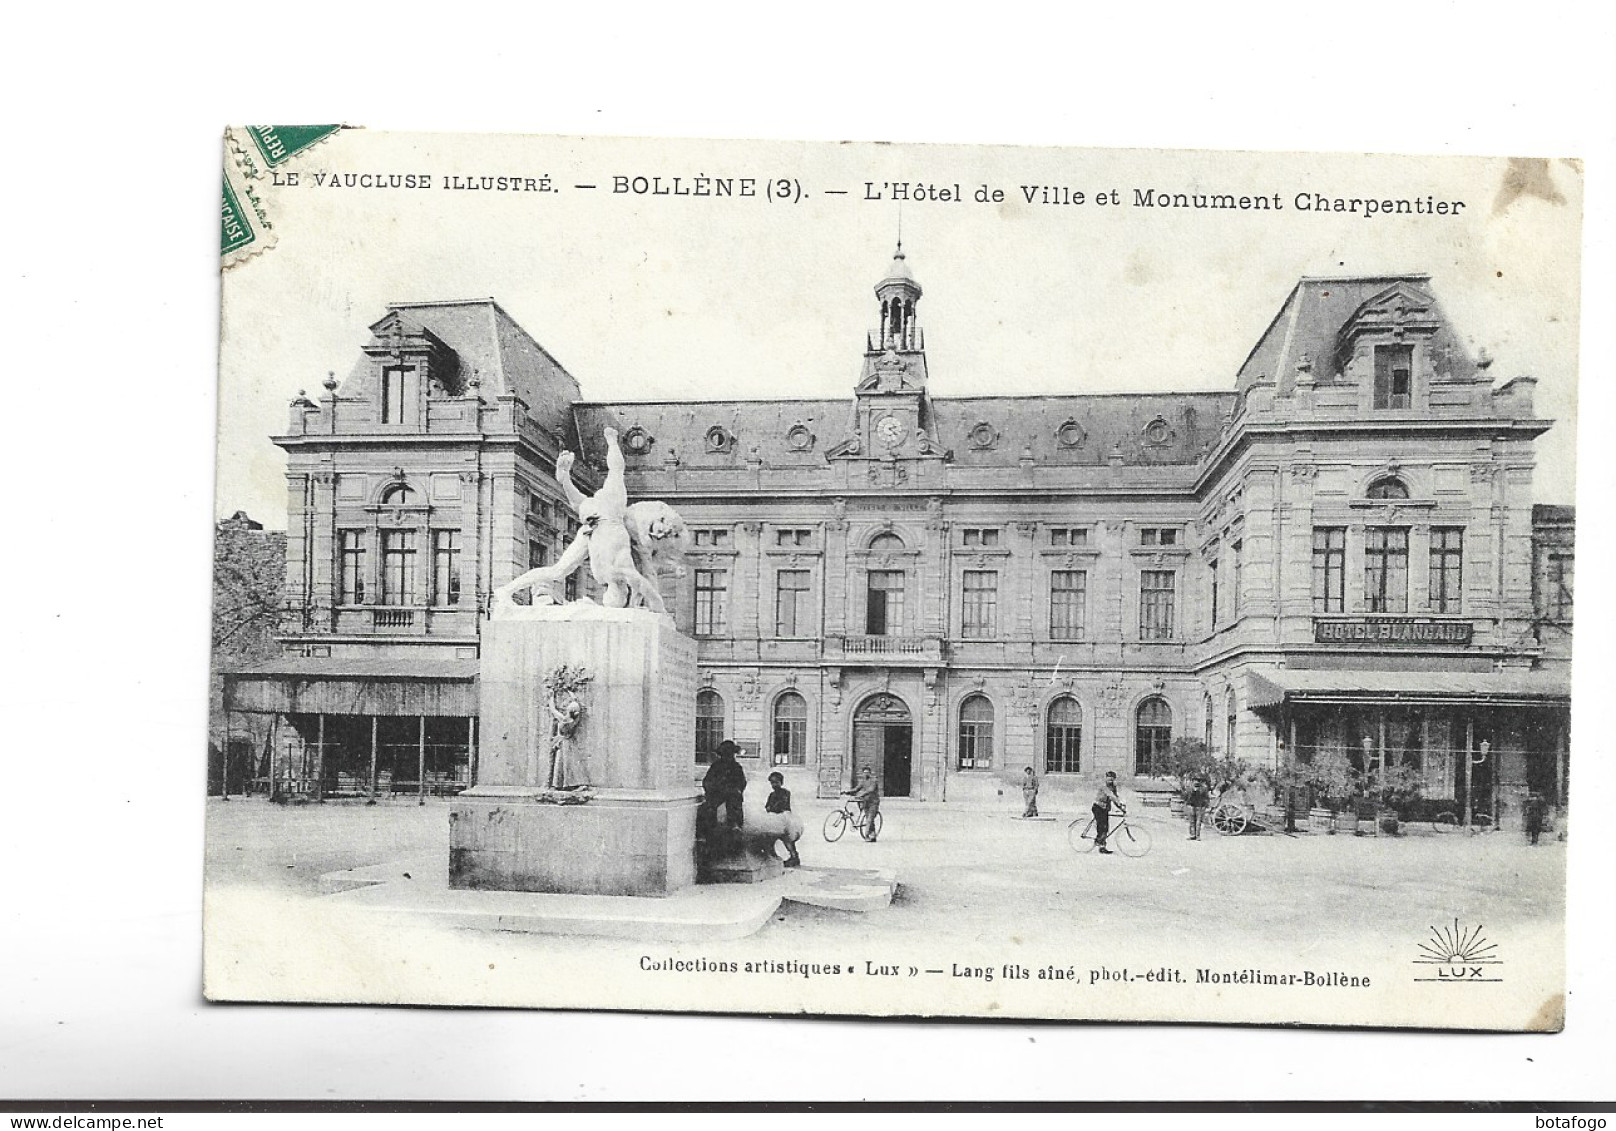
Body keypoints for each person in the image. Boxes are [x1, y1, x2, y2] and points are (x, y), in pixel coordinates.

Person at [699, 739, 747, 831]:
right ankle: (708, 830)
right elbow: (707, 781)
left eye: (730, 754)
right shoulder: (716, 766)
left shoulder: (736, 767)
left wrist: (737, 789)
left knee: (735, 802)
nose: (729, 757)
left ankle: (735, 825)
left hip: (732, 793)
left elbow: (742, 782)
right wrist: (712, 790)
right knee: (707, 807)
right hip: (717, 793)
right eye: (726, 754)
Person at [764, 771, 804, 866]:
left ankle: (794, 856)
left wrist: (773, 808)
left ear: (781, 783)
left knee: (787, 838)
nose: (774, 785)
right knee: (769, 836)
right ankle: (771, 854)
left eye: (776, 782)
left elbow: (782, 805)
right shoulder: (771, 795)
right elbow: (767, 806)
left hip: (785, 819)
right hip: (774, 819)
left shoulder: (785, 793)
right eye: (772, 783)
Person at [843, 766, 882, 842]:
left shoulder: (874, 781)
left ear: (870, 773)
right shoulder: (862, 781)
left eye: (867, 772)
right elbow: (856, 788)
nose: (866, 774)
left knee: (869, 819)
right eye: (864, 773)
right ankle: (873, 834)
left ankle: (866, 836)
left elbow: (871, 789)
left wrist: (862, 794)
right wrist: (847, 792)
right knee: (869, 819)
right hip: (865, 802)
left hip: (873, 803)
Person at [1092, 771, 1125, 855]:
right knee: (1102, 827)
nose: (1110, 781)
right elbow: (1111, 796)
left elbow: (1115, 797)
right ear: (1106, 778)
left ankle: (1102, 846)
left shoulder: (1113, 787)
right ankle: (1099, 841)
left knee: (1106, 828)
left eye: (1112, 779)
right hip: (1098, 808)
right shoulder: (1104, 786)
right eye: (1109, 779)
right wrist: (1118, 802)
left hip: (1105, 809)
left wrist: (1121, 807)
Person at [1186, 774, 1210, 841]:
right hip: (1191, 806)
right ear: (1193, 781)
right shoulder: (1189, 787)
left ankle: (1197, 836)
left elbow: (1207, 798)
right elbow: (1186, 796)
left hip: (1200, 806)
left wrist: (1205, 806)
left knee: (1198, 822)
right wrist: (1188, 804)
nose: (1197, 782)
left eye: (1198, 780)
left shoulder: (1204, 788)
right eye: (1195, 780)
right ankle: (1192, 835)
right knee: (1191, 821)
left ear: (1201, 781)